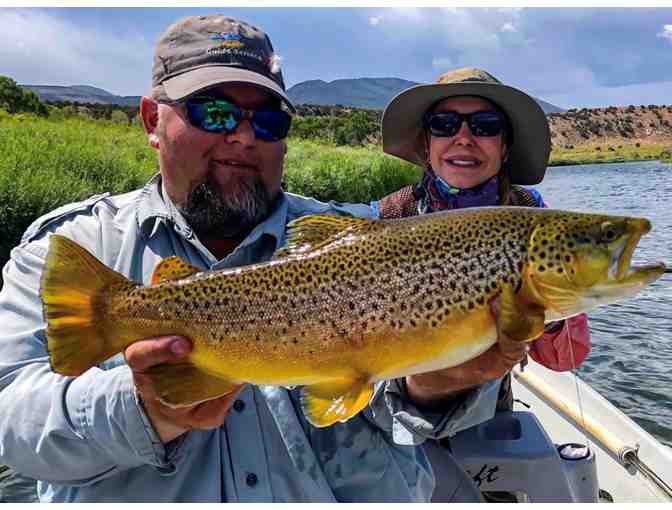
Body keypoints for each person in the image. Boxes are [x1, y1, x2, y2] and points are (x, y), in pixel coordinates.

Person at [0, 17, 524, 503]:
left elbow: (398, 416)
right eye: (214, 111)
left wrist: (434, 389)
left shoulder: (356, 246)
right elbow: (10, 425)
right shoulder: (69, 250)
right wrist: (142, 409)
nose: (244, 136)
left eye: (269, 121)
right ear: (151, 120)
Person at [373, 67, 592, 501]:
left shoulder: (536, 222)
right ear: (426, 143)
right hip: (394, 406)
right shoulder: (387, 219)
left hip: (489, 412)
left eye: (486, 127)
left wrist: (541, 315)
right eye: (445, 124)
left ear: (505, 145)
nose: (464, 138)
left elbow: (567, 358)